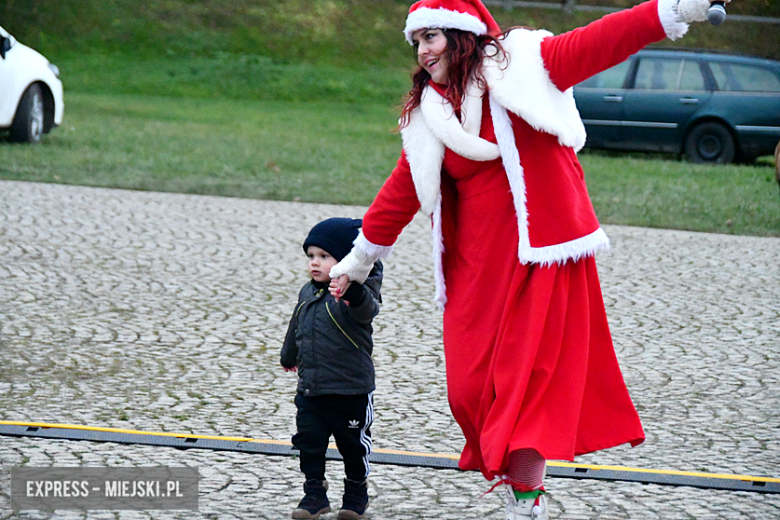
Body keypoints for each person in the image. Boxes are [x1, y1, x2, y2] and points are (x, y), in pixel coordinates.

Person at [328, 0, 729, 518]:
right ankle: (521, 488)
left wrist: (676, 9)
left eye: (431, 37)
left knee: (530, 387)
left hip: (538, 258)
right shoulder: (429, 114)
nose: (423, 52)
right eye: (417, 42)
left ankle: (527, 502)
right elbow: (402, 192)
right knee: (469, 390)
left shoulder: (521, 67)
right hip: (475, 270)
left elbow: (598, 41)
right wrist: (356, 261)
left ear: (461, 34)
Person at [281, 217, 382, 520]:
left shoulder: (354, 295)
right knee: (309, 444)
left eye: (324, 257)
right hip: (311, 389)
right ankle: (314, 494)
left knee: (353, 447)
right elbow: (296, 325)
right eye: (311, 256)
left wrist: (350, 289)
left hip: (350, 390)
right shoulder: (307, 292)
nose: (315, 263)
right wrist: (289, 355)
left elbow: (367, 310)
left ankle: (355, 493)